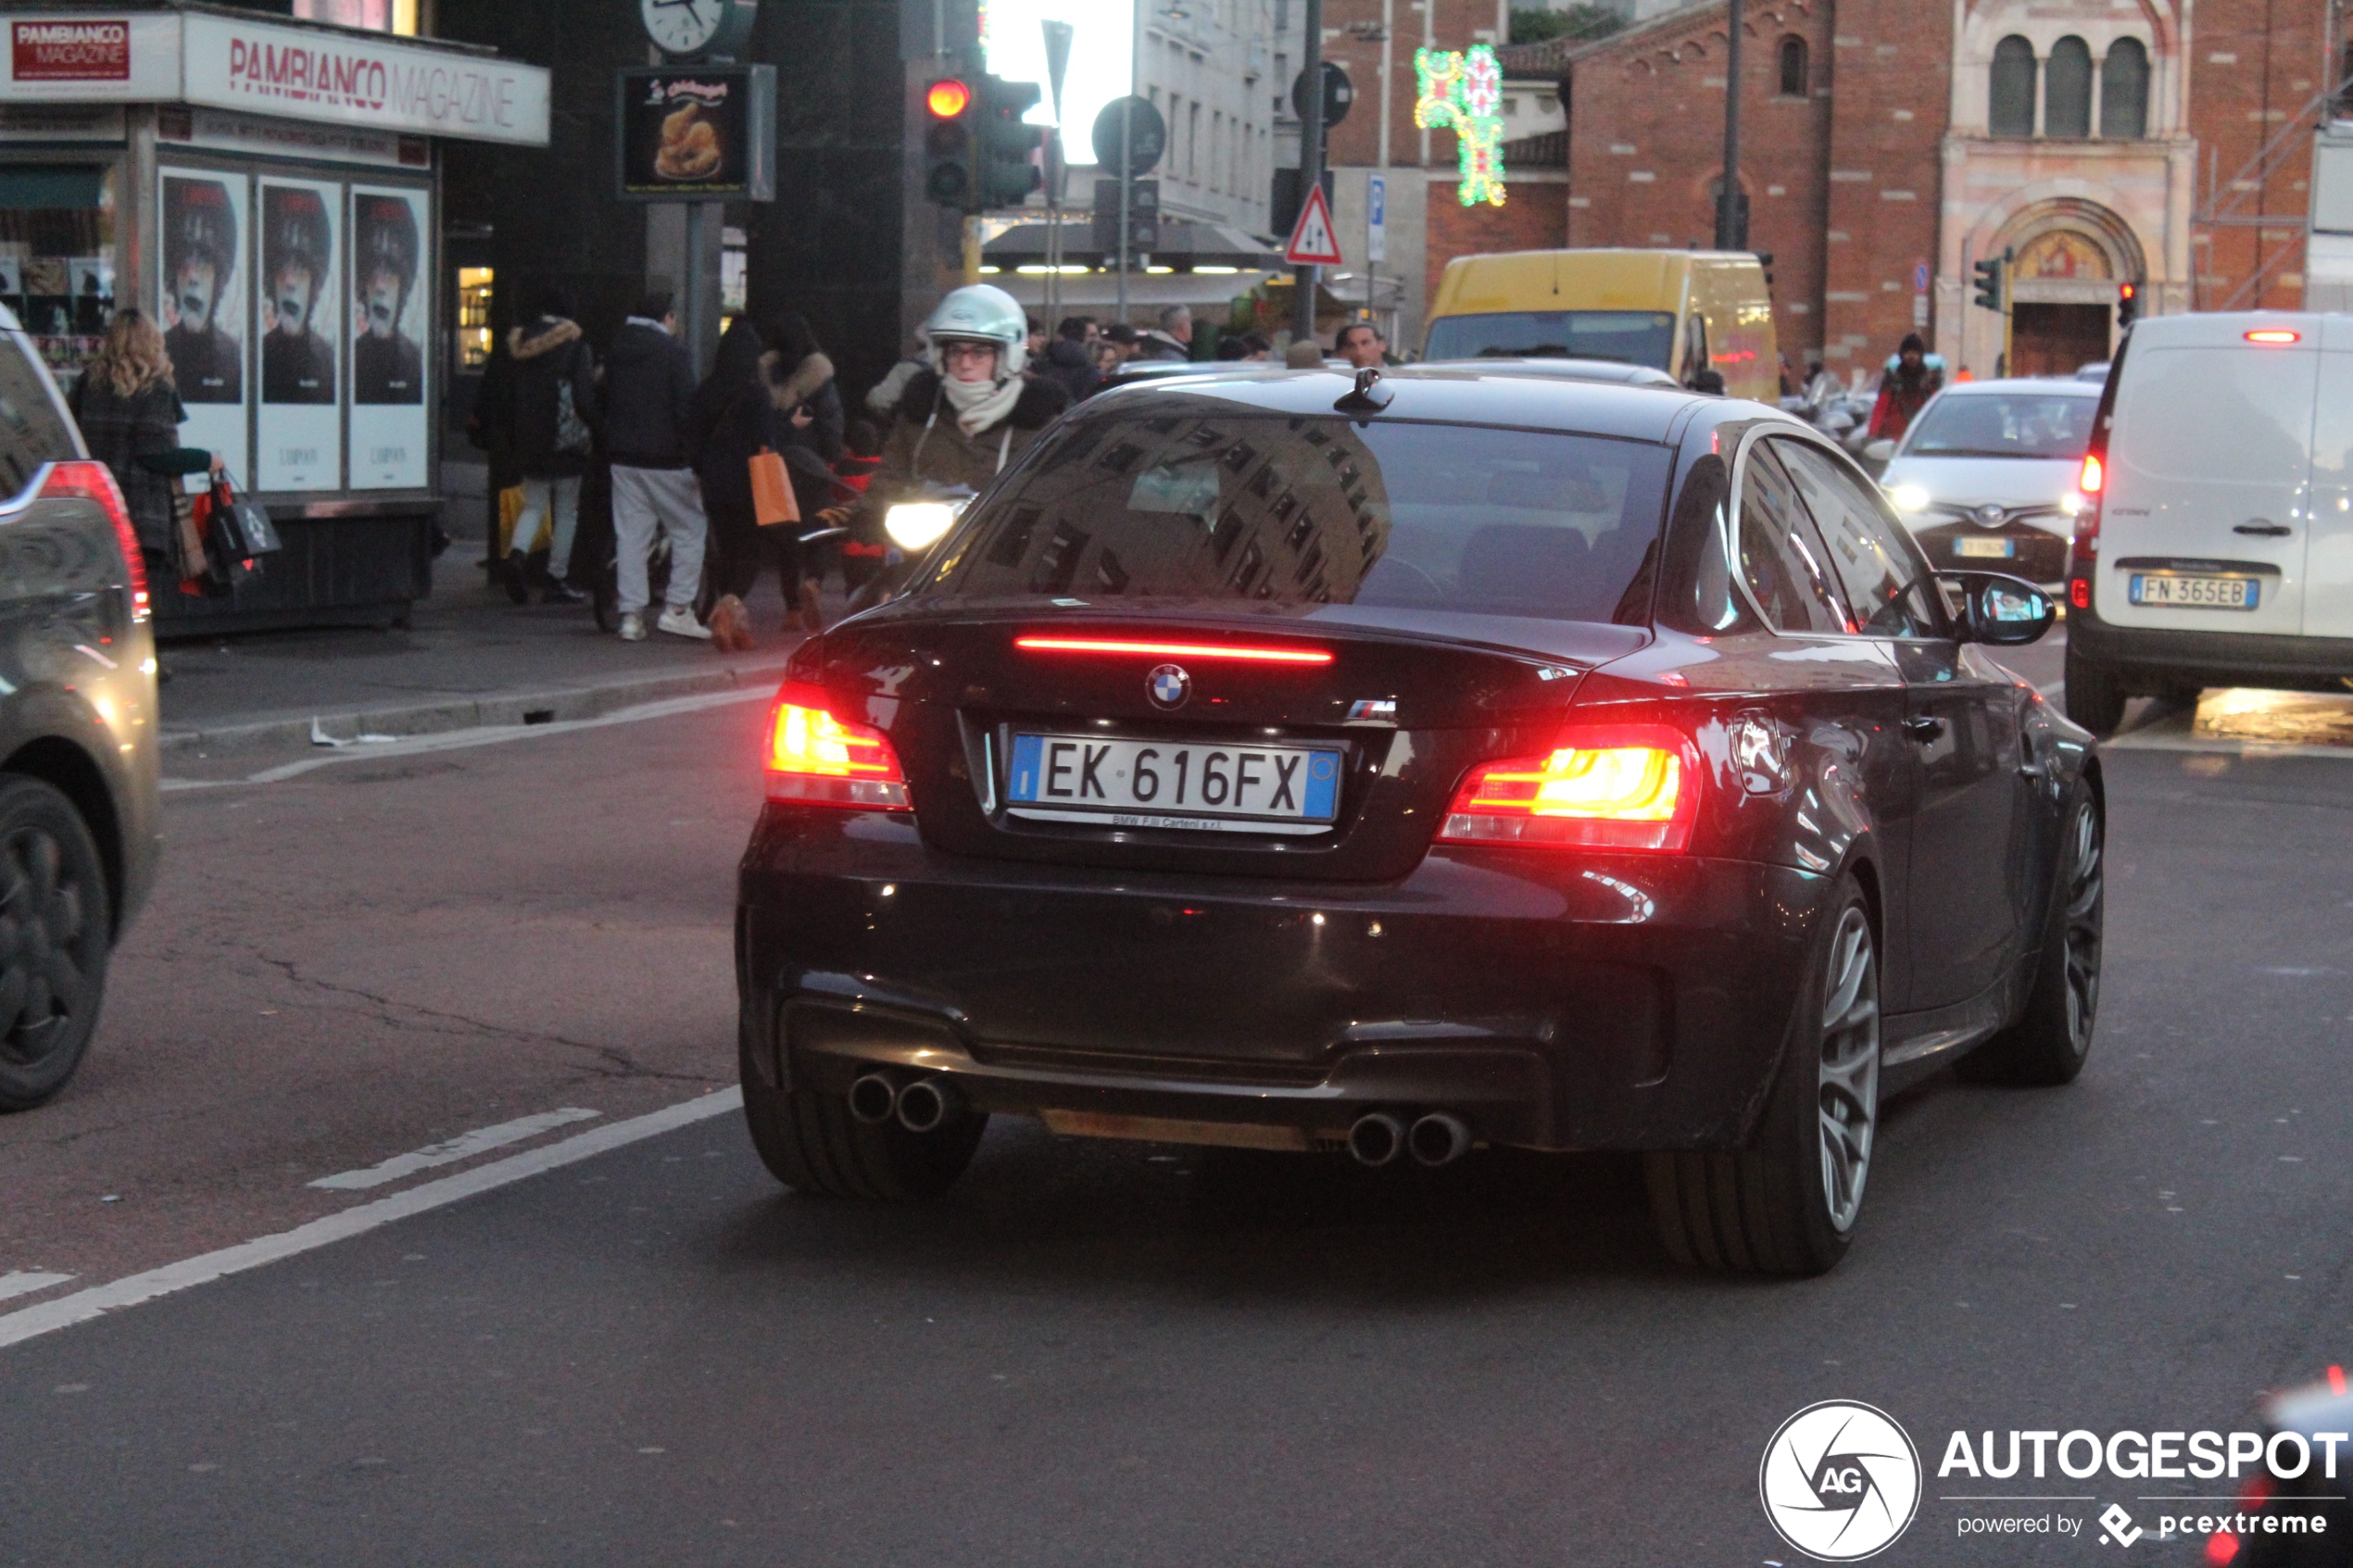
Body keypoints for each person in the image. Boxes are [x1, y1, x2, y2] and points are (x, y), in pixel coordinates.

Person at [873, 282, 1069, 497]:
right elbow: (886, 482)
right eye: (955, 351)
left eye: (980, 353)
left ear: (1005, 358)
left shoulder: (1040, 425)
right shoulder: (919, 414)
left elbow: (1057, 496)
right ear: (941, 357)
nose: (965, 364)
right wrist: (867, 516)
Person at [67, 310, 217, 565]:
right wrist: (207, 460)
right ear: (152, 342)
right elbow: (156, 455)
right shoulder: (155, 389)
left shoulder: (87, 383)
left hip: (94, 517)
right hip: (141, 523)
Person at [603, 290, 711, 641]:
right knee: (689, 529)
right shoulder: (675, 354)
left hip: (622, 458)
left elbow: (599, 398)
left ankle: (631, 617)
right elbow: (686, 410)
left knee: (631, 536)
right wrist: (693, 455)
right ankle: (678, 609)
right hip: (666, 459)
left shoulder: (616, 349)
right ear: (666, 318)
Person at [503, 287, 598, 605]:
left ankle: (517, 555)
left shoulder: (521, 344)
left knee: (533, 504)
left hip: (530, 438)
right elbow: (584, 398)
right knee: (566, 510)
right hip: (566, 441)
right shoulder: (575, 347)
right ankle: (556, 578)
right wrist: (598, 428)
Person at [161, 179, 241, 405]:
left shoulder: (232, 358)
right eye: (184, 263)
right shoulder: (158, 351)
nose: (192, 277)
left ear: (218, 278)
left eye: (204, 264)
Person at [260, 187, 335, 405]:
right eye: (282, 268)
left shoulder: (328, 361)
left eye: (301, 270)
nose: (290, 282)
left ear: (315, 284)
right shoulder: (255, 356)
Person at [351, 194, 423, 405]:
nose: (380, 287)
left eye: (390, 274)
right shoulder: (349, 358)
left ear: (404, 287)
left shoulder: (415, 363)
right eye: (373, 274)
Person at [1867, 332, 1942, 443]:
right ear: (1902, 354)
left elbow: (1936, 411)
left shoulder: (1929, 380)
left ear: (1921, 354)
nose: (1911, 356)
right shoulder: (1892, 378)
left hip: (1922, 441)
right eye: (1907, 352)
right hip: (1893, 442)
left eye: (1915, 352)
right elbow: (1880, 409)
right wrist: (1872, 436)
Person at [1038, 316, 1101, 403]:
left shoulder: (1041, 366)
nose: (1096, 340)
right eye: (1091, 335)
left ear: (1059, 336)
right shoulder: (1093, 371)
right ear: (1083, 337)